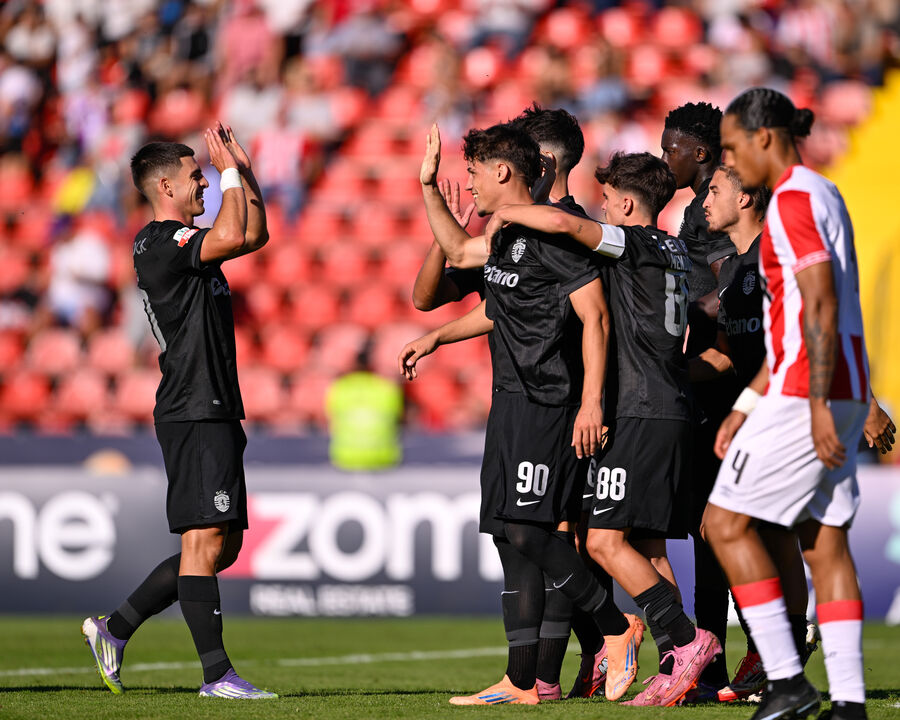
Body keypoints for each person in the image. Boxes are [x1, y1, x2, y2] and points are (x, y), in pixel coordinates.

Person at [400, 122, 642, 706]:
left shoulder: (553, 235)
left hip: (549, 403)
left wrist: (591, 402)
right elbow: (467, 263)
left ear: (503, 171)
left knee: (531, 530)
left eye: (475, 172)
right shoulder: (504, 233)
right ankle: (521, 681)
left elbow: (595, 317)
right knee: (508, 536)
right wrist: (437, 335)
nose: (471, 184)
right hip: (508, 400)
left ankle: (616, 628)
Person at [482, 151, 722, 708]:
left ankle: (684, 640)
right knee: (648, 546)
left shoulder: (631, 242)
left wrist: (508, 211)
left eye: (609, 200)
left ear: (629, 204)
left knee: (603, 541)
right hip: (671, 406)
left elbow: (565, 223)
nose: (604, 209)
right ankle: (678, 664)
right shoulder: (674, 250)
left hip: (638, 408)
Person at [705, 87, 893, 720]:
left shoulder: (790, 200)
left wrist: (811, 403)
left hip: (808, 391)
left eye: (733, 147)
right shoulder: (824, 191)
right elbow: (799, 320)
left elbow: (819, 303)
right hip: (837, 386)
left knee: (723, 524)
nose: (729, 161)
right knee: (824, 542)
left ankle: (785, 679)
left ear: (764, 137)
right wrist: (745, 403)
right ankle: (850, 702)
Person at [81, 126, 276, 699]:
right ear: (165, 186)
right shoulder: (160, 241)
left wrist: (244, 172)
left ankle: (114, 629)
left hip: (213, 404)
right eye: (196, 176)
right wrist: (230, 172)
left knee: (221, 547)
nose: (205, 183)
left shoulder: (187, 242)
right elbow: (233, 231)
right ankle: (217, 676)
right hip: (193, 405)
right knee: (203, 539)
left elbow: (253, 235)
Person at [694, 164, 821, 703]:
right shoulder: (732, 268)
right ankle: (783, 651)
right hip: (750, 415)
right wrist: (664, 373)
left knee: (741, 529)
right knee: (764, 532)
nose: (705, 201)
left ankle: (782, 650)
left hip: (783, 412)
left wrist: (863, 402)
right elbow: (728, 354)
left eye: (715, 191)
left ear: (745, 199)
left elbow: (814, 327)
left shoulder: (777, 254)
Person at [660, 102, 738, 696]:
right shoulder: (696, 208)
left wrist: (684, 305)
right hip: (707, 380)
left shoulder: (713, 209)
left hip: (721, 381)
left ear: (701, 152)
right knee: (707, 531)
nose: (666, 158)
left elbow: (729, 285)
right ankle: (714, 662)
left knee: (715, 530)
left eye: (672, 148)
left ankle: (722, 658)